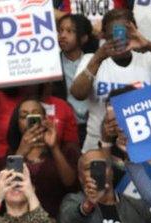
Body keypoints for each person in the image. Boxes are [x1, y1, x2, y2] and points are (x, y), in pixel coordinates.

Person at [70, 8, 151, 152]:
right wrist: (98, 58)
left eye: (125, 34)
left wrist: (148, 45)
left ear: (134, 31)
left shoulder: (148, 59)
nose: (119, 40)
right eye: (113, 36)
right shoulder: (91, 60)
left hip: (144, 145)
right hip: (98, 145)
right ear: (103, 35)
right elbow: (77, 93)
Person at [0, 98, 80, 218]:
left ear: (44, 119)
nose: (29, 118)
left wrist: (54, 147)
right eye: (23, 116)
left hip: (53, 220)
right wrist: (20, 153)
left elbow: (71, 184)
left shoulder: (63, 151)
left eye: (35, 114)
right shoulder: (7, 158)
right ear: (17, 123)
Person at [54, 14, 94, 144]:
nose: (63, 35)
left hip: (92, 128)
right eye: (60, 30)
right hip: (65, 129)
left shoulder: (93, 62)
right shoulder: (52, 64)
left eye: (70, 31)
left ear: (83, 38)